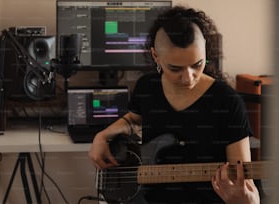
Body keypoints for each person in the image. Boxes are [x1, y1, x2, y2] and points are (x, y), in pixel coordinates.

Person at [89, 5, 261, 204]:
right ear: (156, 56)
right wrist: (102, 136)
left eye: (197, 64)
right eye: (175, 68)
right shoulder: (147, 86)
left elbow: (243, 181)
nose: (188, 78)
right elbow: (133, 119)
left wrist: (247, 200)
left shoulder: (228, 101)